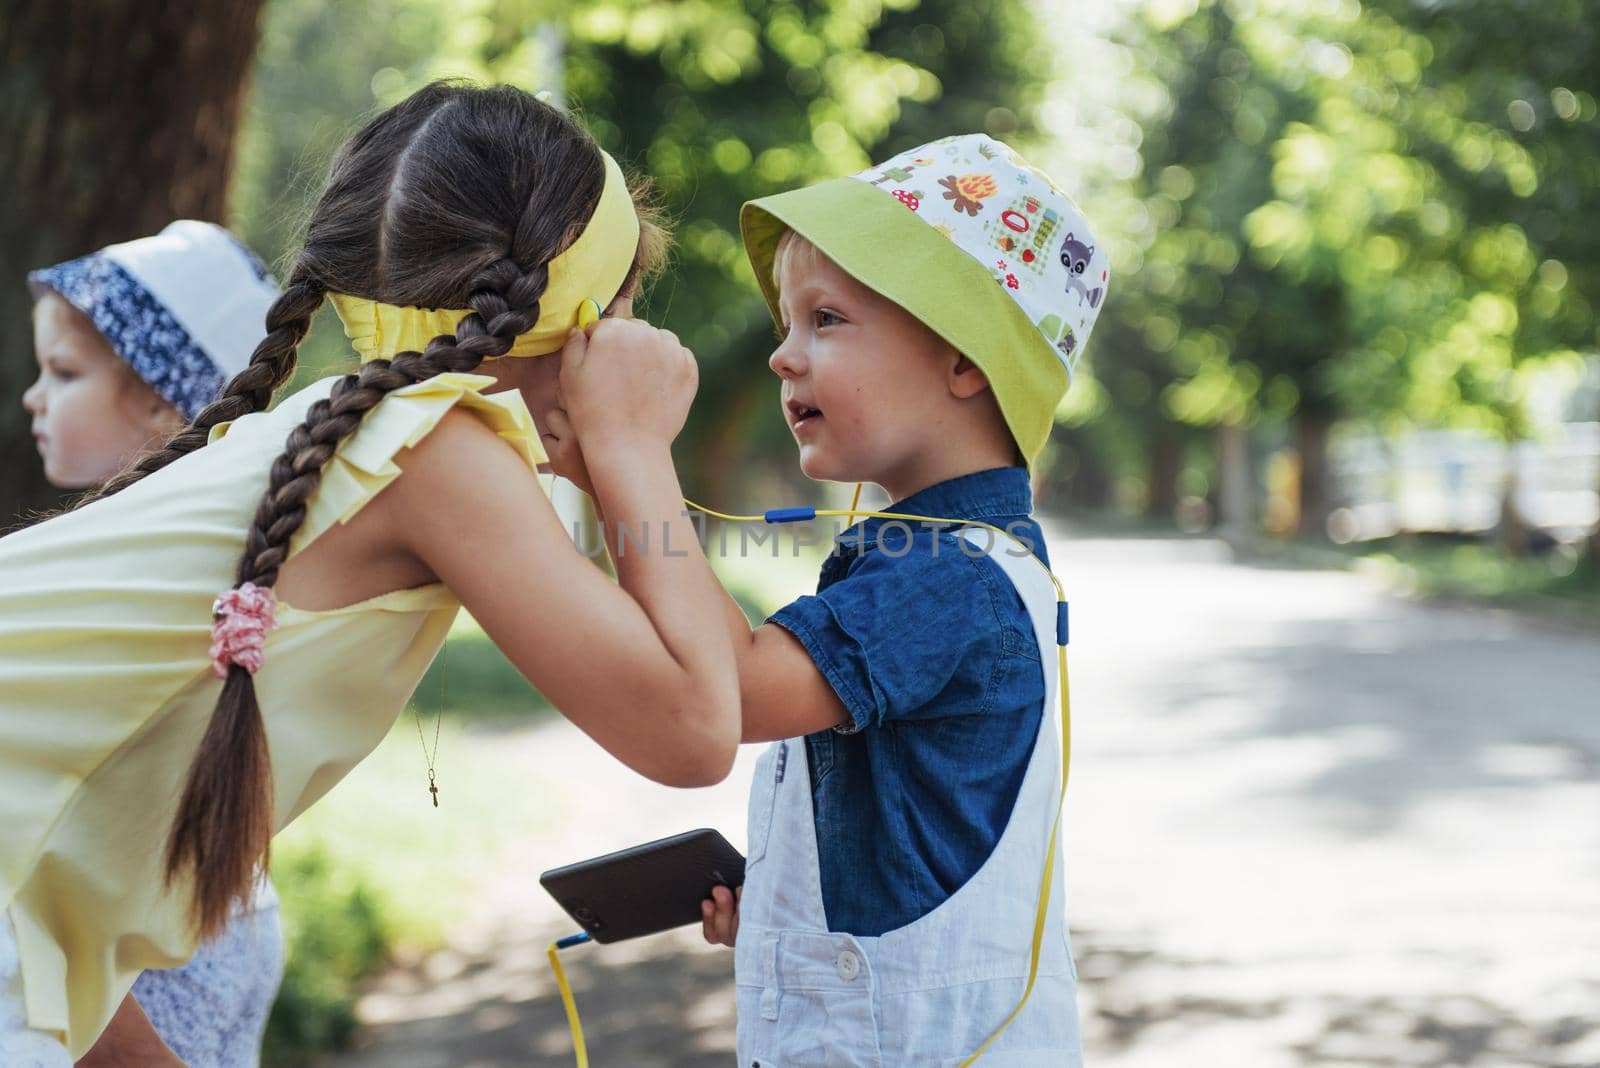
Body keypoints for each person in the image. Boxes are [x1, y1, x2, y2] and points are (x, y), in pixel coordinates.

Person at [0, 81, 739, 1064]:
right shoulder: (439, 454)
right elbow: (693, 731)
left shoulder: (342, 436)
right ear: (577, 323)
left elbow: (42, 926)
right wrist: (637, 447)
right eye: (629, 311)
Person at [699, 133, 1109, 1065]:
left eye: (827, 320)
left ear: (966, 361)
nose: (781, 358)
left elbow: (737, 689)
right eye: (786, 325)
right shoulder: (946, 559)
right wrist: (780, 914)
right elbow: (908, 845)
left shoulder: (947, 580)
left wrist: (630, 456)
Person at [22, 220, 287, 1067]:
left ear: (166, 405)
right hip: (186, 948)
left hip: (139, 973)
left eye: (63, 373)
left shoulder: (100, 592)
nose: (33, 398)